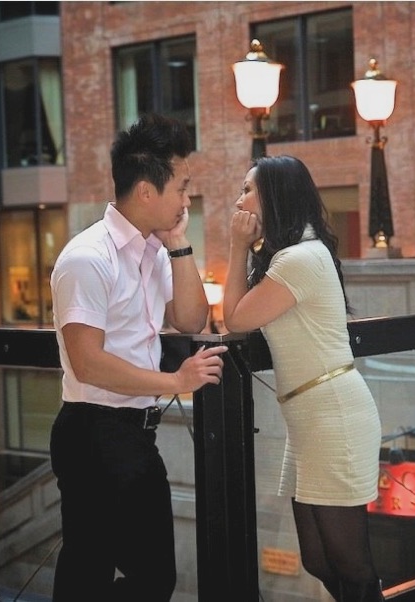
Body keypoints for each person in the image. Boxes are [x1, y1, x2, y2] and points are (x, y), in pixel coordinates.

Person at [49, 113, 227, 601]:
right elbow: (89, 362)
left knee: (153, 577)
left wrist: (179, 244)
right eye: (182, 188)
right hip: (92, 432)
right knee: (90, 573)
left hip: (132, 434)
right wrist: (178, 381)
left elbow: (192, 320)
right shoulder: (88, 257)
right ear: (147, 191)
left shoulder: (152, 252)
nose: (187, 200)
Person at [222, 155, 385, 601]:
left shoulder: (300, 258)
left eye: (247, 189)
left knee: (353, 566)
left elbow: (234, 320)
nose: (240, 199)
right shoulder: (292, 255)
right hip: (310, 419)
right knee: (316, 560)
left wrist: (237, 247)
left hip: (334, 417)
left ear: (275, 196)